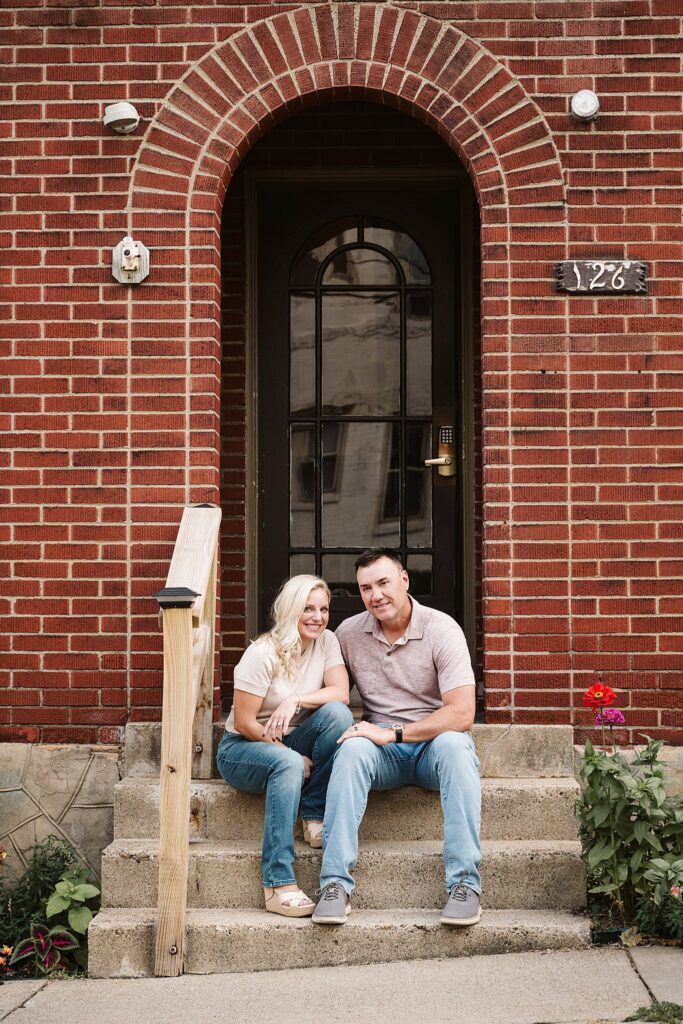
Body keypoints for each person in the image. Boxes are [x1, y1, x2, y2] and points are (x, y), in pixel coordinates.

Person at [311, 548, 481, 927]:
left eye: (384, 583)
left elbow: (462, 713)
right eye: (366, 588)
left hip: (432, 745)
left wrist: (394, 733)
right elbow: (331, 692)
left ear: (404, 581)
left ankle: (464, 884)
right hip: (381, 754)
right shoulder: (349, 634)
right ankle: (334, 884)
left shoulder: (442, 629)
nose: (376, 595)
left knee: (456, 745)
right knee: (352, 747)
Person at [216, 575, 353, 917]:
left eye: (323, 609)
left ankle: (313, 813)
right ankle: (277, 882)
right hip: (243, 748)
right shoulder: (262, 653)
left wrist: (296, 699)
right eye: (308, 608)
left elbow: (340, 693)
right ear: (291, 609)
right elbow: (246, 723)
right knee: (289, 765)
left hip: (293, 735)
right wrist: (290, 754)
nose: (317, 617)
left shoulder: (327, 642)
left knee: (338, 715)